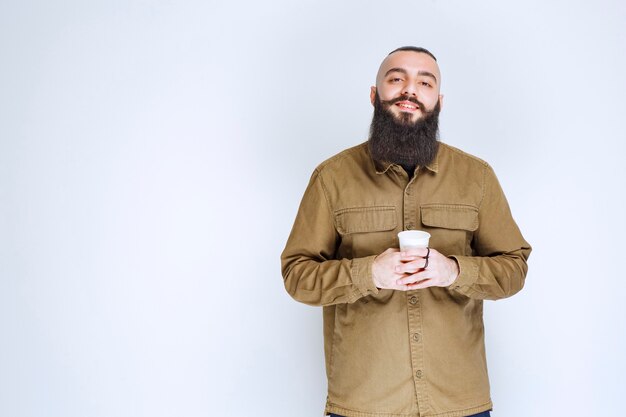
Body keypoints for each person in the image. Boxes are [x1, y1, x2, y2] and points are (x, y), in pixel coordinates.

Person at [281, 46, 531, 417]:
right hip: (365, 402)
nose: (409, 90)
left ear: (439, 101)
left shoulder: (476, 177)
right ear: (374, 94)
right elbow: (296, 275)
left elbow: (514, 267)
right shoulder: (332, 178)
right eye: (396, 78)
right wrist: (368, 273)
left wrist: (455, 271)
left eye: (424, 82)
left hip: (459, 401)